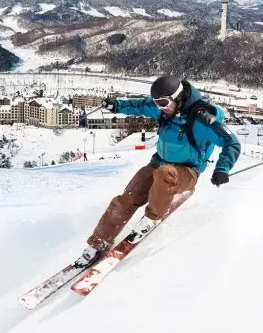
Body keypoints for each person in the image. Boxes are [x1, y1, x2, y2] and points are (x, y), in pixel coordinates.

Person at [74, 75, 241, 267]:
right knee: (128, 196)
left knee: (165, 174)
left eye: (163, 102)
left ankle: (152, 217)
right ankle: (97, 243)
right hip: (160, 162)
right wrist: (117, 105)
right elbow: (140, 105)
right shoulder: (165, 111)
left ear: (178, 98)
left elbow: (231, 142)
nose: (160, 107)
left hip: (188, 171)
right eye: (157, 103)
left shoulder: (201, 119)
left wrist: (223, 168)